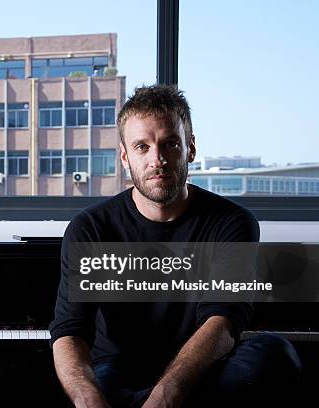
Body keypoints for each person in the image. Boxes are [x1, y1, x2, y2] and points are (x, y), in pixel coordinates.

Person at [49, 85, 301, 408]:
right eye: (142, 147)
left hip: (199, 371)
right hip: (118, 372)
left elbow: (223, 322)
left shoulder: (233, 223)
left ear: (190, 149)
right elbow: (70, 331)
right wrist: (89, 400)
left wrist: (165, 398)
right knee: (82, 381)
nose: (158, 160)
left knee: (275, 354)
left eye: (170, 144)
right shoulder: (91, 229)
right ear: (126, 157)